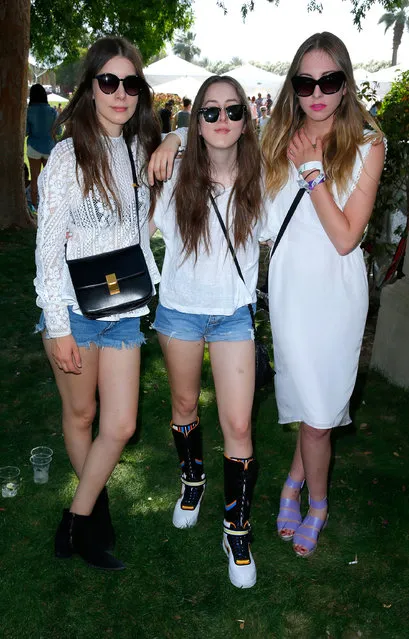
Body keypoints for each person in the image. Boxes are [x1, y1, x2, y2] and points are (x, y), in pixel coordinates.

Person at [34, 36, 181, 571]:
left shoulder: (141, 150)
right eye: (108, 82)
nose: (120, 93)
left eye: (131, 83)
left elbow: (208, 139)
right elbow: (47, 251)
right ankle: (95, 518)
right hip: (73, 309)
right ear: (90, 88)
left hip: (124, 309)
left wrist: (178, 135)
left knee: (119, 425)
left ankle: (76, 517)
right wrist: (56, 326)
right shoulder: (69, 156)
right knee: (81, 414)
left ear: (141, 91)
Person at [261, 32, 385, 558]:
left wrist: (312, 172)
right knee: (312, 408)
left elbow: (345, 236)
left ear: (345, 84)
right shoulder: (274, 138)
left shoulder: (368, 144)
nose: (317, 92)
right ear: (294, 85)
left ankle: (315, 502)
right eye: (306, 81)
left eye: (328, 80)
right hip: (290, 293)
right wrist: (177, 140)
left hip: (335, 295)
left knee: (317, 416)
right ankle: (296, 483)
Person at [150, 75, 263, 588]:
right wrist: (169, 139)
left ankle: (236, 529)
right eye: (210, 112)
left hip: (233, 313)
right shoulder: (174, 173)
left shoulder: (264, 177)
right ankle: (192, 482)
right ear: (196, 121)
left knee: (239, 425)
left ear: (246, 119)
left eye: (232, 111)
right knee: (185, 406)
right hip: (180, 310)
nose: (222, 121)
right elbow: (134, 217)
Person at [26, 84, 58, 209]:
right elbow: (58, 131)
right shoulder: (52, 111)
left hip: (33, 147)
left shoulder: (29, 111)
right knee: (49, 180)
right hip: (49, 147)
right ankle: (49, 207)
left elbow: (26, 131)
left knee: (34, 179)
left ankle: (34, 207)